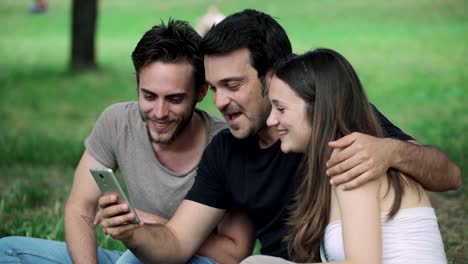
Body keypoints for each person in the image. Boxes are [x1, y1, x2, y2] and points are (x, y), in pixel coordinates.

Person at [97, 9, 461, 263]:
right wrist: (133, 232)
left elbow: (449, 176)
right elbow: (177, 243)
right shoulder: (225, 150)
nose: (220, 101)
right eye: (214, 87)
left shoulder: (332, 122)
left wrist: (390, 152)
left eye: (233, 85)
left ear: (273, 76)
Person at [0, 19, 254, 264]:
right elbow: (81, 209)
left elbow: (234, 255)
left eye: (175, 99)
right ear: (137, 82)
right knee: (8, 250)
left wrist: (156, 227)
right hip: (136, 255)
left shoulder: (227, 143)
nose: (160, 112)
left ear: (200, 92)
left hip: (195, 261)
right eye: (149, 95)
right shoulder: (117, 122)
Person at [241, 48, 447, 264]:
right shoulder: (332, 165)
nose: (271, 121)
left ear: (318, 108)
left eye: (280, 109)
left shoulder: (354, 161)